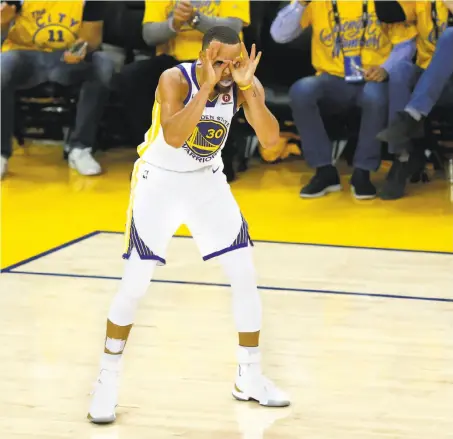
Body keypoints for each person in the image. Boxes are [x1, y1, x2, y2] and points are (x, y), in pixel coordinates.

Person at [88, 26, 289, 424]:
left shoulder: (243, 82)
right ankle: (106, 379)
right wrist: (205, 88)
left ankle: (249, 376)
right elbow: (176, 135)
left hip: (206, 181)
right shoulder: (175, 78)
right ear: (201, 58)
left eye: (234, 62)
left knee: (244, 273)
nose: (228, 70)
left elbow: (269, 139)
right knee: (135, 283)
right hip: (158, 181)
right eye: (219, 63)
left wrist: (249, 90)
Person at [271, 0, 416, 200]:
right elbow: (279, 35)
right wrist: (300, 4)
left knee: (374, 97)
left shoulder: (382, 3)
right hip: (331, 79)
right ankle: (324, 171)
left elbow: (405, 44)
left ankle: (362, 173)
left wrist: (386, 69)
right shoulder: (316, 3)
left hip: (371, 77)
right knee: (301, 91)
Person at [1, 0, 115, 179]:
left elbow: (92, 39)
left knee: (103, 64)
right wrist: (2, 23)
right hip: (24, 56)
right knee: (2, 68)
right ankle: (1, 153)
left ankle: (80, 148)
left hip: (66, 58)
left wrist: (80, 49)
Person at [117, 0, 250, 146]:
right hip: (174, 60)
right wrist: (174, 23)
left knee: (212, 78)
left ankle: (221, 156)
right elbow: (149, 35)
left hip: (221, 59)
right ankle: (154, 148)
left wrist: (195, 19)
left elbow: (233, 28)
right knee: (132, 77)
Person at [377, 0, 453, 199]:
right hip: (428, 77)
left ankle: (412, 116)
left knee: (451, 36)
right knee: (401, 70)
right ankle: (402, 156)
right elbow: (389, 13)